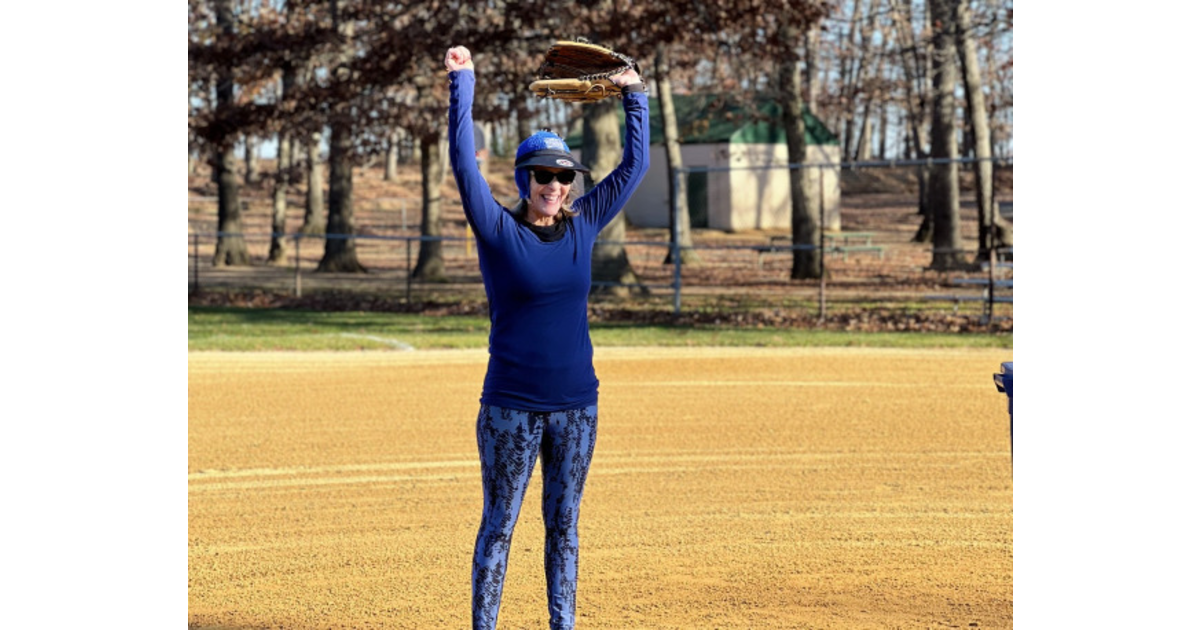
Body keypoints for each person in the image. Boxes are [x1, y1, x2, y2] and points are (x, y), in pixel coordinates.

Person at [443, 45, 649, 630]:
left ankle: (564, 624)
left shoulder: (584, 222)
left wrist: (635, 93)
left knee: (564, 528)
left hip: (577, 409)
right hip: (510, 408)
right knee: (500, 526)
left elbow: (634, 168)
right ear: (524, 178)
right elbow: (463, 167)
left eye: (564, 175)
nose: (555, 185)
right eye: (544, 175)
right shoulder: (498, 230)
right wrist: (464, 83)